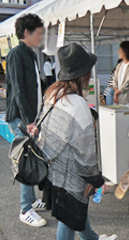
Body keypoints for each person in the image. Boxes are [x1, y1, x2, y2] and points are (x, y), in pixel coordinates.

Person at [37, 43, 117, 240]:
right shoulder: (78, 104)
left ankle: (92, 238)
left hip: (52, 169)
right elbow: (87, 154)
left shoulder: (52, 94)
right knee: (70, 218)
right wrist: (96, 180)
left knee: (75, 215)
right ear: (83, 74)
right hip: (70, 176)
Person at [5, 13, 46, 227]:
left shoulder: (29, 53)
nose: (41, 37)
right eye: (38, 33)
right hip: (21, 118)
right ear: (27, 33)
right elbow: (19, 90)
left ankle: (30, 199)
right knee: (26, 160)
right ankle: (25, 208)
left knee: (30, 157)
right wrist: (29, 120)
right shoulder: (15, 55)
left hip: (29, 117)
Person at [113, 41, 129, 105]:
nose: (118, 52)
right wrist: (116, 90)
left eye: (120, 49)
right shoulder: (120, 65)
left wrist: (118, 92)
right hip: (119, 98)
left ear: (125, 51)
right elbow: (115, 79)